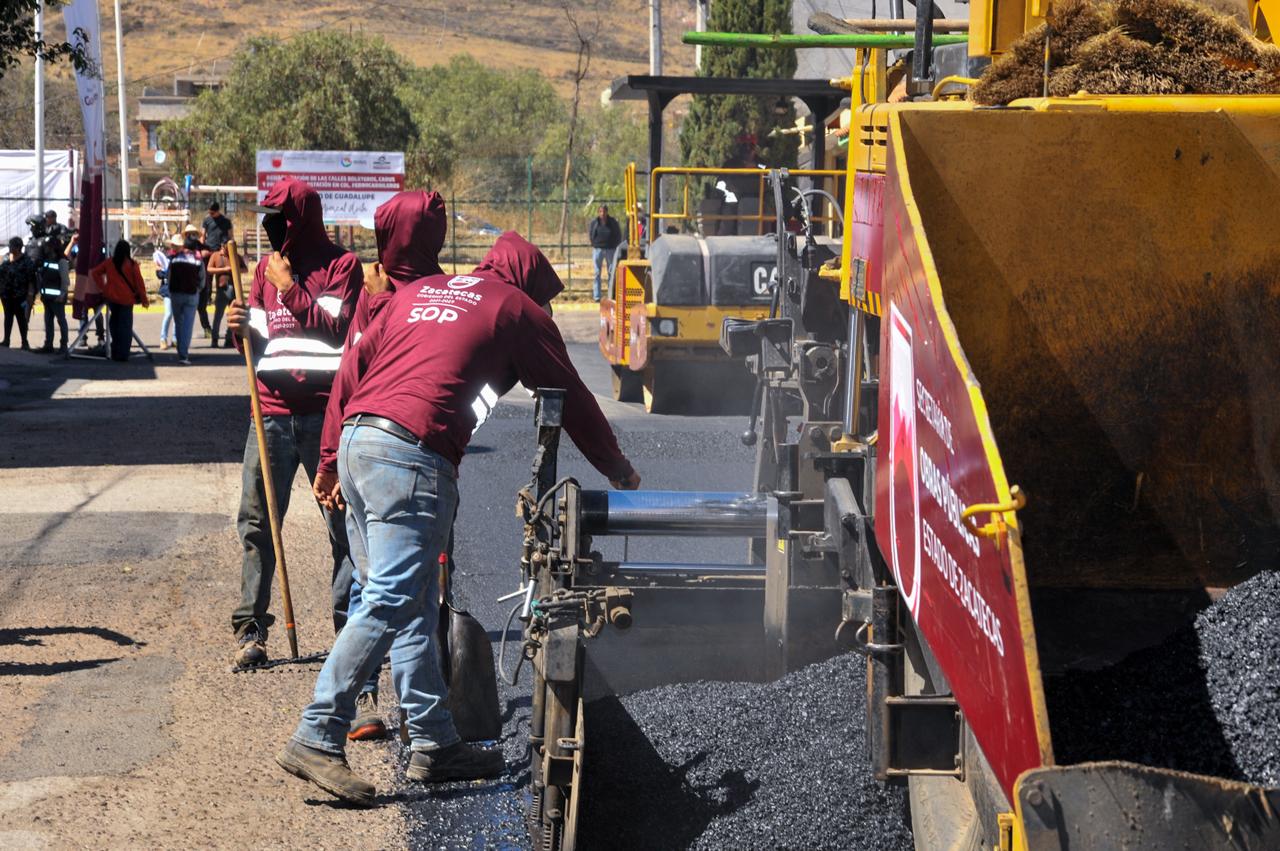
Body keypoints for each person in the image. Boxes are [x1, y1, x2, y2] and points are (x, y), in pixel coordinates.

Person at [275, 232, 640, 806]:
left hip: (357, 441)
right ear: (528, 286)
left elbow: (352, 366)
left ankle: (434, 742)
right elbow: (568, 392)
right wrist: (616, 467)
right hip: (411, 456)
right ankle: (318, 732)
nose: (540, 310)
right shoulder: (515, 309)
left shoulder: (420, 293)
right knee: (393, 597)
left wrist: (328, 459)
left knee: (412, 601)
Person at [223, 177, 363, 668]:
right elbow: (262, 336)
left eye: (282, 217)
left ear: (302, 219)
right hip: (271, 413)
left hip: (327, 415)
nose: (273, 226)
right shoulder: (263, 268)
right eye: (270, 217)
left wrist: (290, 287)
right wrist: (241, 325)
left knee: (343, 525)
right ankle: (250, 631)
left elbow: (335, 329)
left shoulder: (342, 267)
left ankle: (349, 632)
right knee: (258, 523)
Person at [340, 188, 447, 742]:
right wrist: (326, 461)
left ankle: (425, 718)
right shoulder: (374, 295)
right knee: (375, 586)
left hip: (417, 459)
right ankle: (356, 703)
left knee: (414, 592)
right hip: (385, 456)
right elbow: (354, 373)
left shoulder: (436, 295)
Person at [91, 240, 149, 362]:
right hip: (127, 300)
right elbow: (140, 284)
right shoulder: (132, 265)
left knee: (114, 325)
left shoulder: (109, 263)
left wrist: (103, 287)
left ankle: (116, 350)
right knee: (126, 328)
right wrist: (144, 300)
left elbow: (95, 273)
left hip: (112, 298)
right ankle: (123, 353)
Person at [166, 233, 204, 364]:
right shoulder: (198, 260)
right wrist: (198, 289)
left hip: (176, 294)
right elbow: (202, 279)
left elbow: (169, 276)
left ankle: (180, 350)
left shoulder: (175, 258)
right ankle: (184, 354)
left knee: (179, 323)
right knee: (188, 325)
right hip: (192, 295)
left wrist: (171, 291)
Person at [205, 244, 243, 348]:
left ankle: (229, 339)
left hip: (234, 289)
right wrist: (224, 270)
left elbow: (245, 269)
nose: (224, 251)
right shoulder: (216, 256)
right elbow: (209, 269)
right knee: (218, 316)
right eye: (224, 248)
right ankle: (214, 339)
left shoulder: (235, 256)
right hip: (221, 290)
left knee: (232, 316)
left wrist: (235, 269)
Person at [1, 237, 34, 349]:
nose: (10, 248)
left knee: (21, 319)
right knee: (8, 318)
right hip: (6, 296)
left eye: (13, 246)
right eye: (10, 245)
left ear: (19, 247)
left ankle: (24, 342)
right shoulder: (6, 259)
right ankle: (6, 340)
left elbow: (31, 279)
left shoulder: (26, 261)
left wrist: (30, 295)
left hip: (20, 296)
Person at [37, 238, 68, 354]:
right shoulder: (47, 260)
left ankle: (63, 345)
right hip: (47, 298)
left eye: (49, 246)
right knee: (48, 322)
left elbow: (65, 280)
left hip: (57, 299)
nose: (47, 248)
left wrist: (62, 294)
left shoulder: (62, 261)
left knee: (61, 321)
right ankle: (48, 344)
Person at [589, 204, 622, 301]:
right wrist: (594, 244)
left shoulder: (613, 222)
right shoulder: (595, 223)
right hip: (598, 250)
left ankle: (610, 294)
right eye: (600, 211)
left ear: (607, 212)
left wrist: (614, 246)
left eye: (604, 211)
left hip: (610, 250)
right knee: (597, 273)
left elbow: (618, 234)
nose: (602, 214)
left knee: (611, 272)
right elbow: (591, 234)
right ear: (598, 212)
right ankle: (597, 296)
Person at [185, 224, 213, 339]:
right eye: (189, 233)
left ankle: (207, 329)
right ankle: (182, 334)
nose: (192, 235)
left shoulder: (201, 246)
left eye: (194, 233)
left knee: (201, 309)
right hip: (188, 286)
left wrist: (205, 253)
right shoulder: (183, 247)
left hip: (201, 284)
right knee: (186, 311)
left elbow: (210, 252)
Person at [154, 240, 174, 350]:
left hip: (178, 289)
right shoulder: (168, 258)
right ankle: (163, 338)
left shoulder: (179, 258)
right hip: (168, 290)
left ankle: (175, 339)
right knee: (168, 314)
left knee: (177, 316)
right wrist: (159, 269)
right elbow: (161, 274)